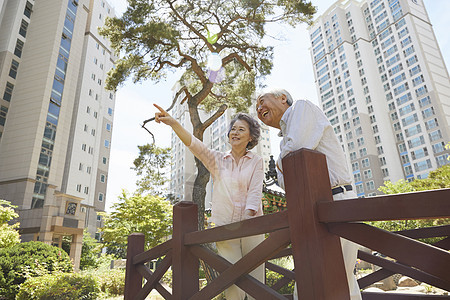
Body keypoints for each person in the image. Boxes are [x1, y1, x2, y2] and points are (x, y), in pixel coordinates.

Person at [255, 89, 362, 300]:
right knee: (335, 282)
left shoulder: (301, 108)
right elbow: (289, 182)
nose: (259, 109)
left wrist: (279, 162)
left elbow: (296, 149)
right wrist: (283, 161)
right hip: (313, 210)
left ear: (282, 98)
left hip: (334, 202)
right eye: (257, 108)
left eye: (261, 102)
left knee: (332, 280)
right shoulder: (284, 137)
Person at [154, 104, 265, 300]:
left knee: (257, 285)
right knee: (231, 284)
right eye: (233, 129)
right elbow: (195, 145)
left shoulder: (256, 161)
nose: (235, 132)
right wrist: (174, 123)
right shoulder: (217, 159)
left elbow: (255, 192)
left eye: (241, 129)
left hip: (253, 227)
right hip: (225, 229)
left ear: (251, 137)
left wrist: (246, 223)